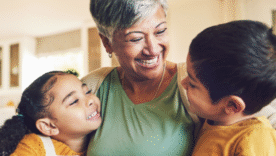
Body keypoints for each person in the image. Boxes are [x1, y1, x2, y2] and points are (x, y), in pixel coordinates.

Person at [83, 0, 276, 155]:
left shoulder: (199, 80)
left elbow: (255, 114)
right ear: (107, 42)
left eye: (160, 31)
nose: (152, 49)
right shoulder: (90, 89)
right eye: (135, 38)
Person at [182, 20, 276, 155]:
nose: (183, 83)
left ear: (232, 105)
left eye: (192, 84)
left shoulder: (255, 140)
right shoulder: (214, 120)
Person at [0, 71, 102, 156]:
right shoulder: (33, 147)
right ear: (48, 126)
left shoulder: (105, 140)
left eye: (87, 92)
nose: (90, 100)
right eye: (74, 102)